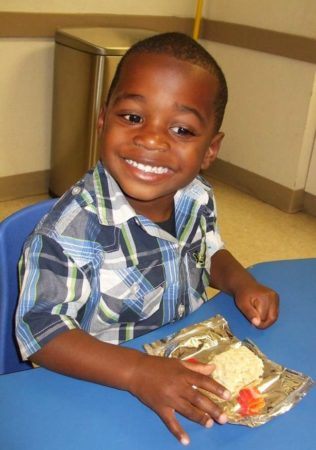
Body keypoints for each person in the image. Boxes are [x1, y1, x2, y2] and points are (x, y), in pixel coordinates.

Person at [16, 32, 279, 445]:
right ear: (103, 121)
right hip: (98, 389)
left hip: (182, 368)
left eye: (181, 129)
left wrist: (240, 280)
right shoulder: (70, 230)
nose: (152, 139)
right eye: (133, 117)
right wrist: (138, 372)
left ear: (211, 150)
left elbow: (209, 249)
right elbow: (41, 333)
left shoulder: (196, 196)